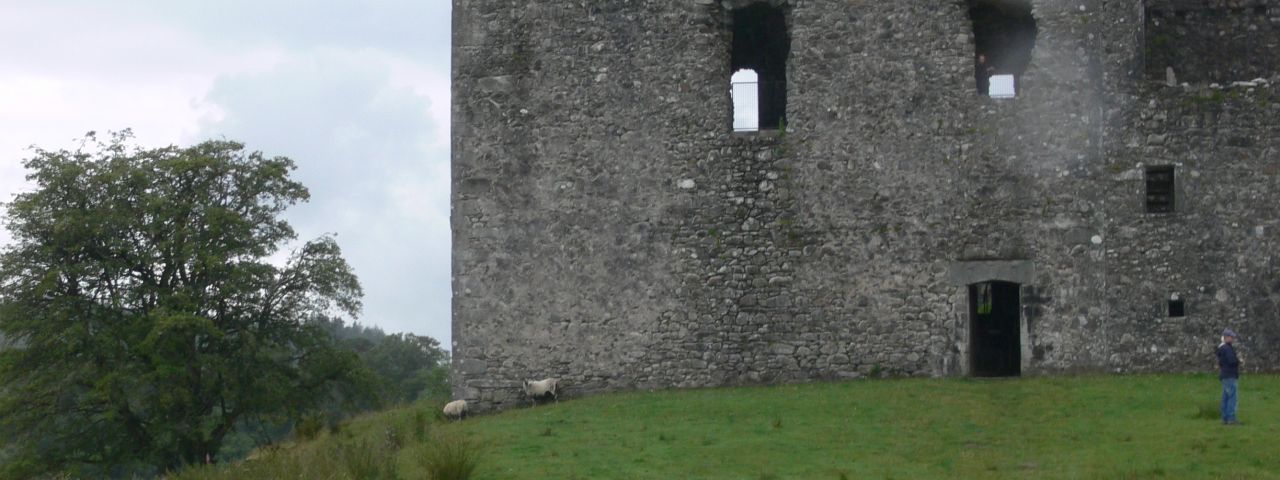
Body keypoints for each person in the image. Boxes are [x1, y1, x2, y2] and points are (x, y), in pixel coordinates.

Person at [1216, 328, 1241, 425]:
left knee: (1226, 397)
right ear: (1226, 337)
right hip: (1230, 374)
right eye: (1231, 337)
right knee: (1232, 397)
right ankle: (1231, 418)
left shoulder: (1221, 348)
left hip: (1224, 374)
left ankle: (1224, 418)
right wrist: (1238, 361)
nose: (1233, 339)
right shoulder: (1227, 348)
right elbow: (1232, 361)